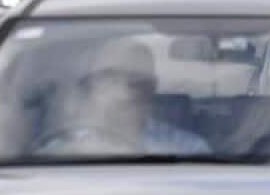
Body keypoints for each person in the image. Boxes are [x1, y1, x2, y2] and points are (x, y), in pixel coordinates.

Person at [44, 38, 211, 157]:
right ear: (93, 85)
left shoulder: (187, 149)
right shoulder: (60, 153)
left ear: (152, 88)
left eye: (137, 82)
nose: (124, 92)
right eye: (112, 79)